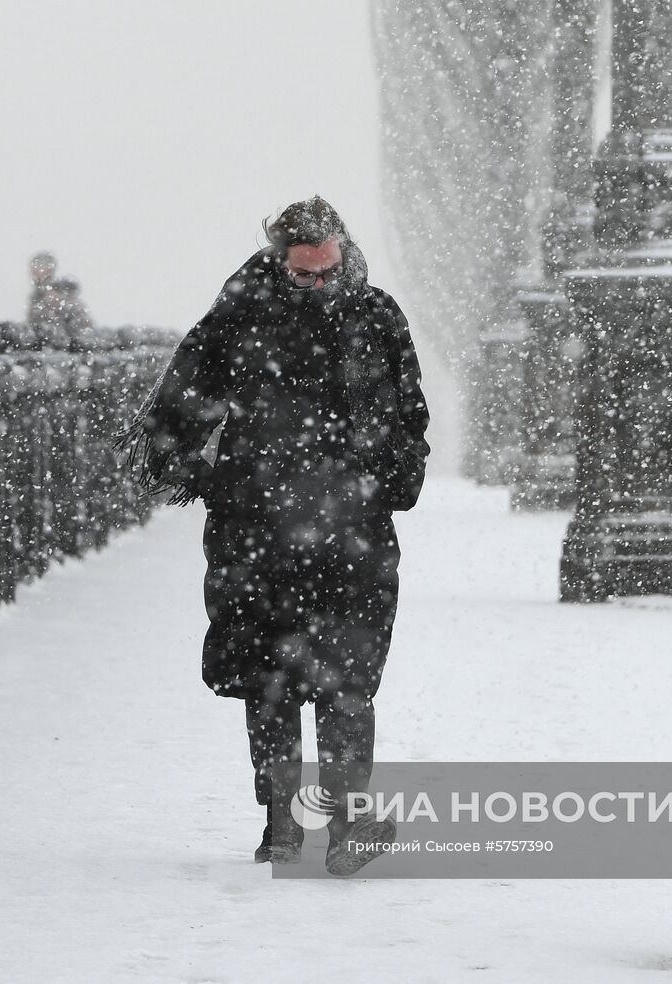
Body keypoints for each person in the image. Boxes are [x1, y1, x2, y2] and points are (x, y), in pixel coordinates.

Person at [113, 196, 430, 875]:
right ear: (278, 260)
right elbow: (177, 404)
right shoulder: (239, 318)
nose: (316, 285)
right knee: (271, 679)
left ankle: (345, 823)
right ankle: (280, 822)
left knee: (348, 678)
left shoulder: (377, 317)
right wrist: (198, 474)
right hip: (260, 528)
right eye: (303, 274)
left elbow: (409, 415)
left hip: (351, 526)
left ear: (342, 250)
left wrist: (395, 480)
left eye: (326, 271)